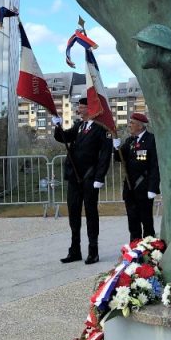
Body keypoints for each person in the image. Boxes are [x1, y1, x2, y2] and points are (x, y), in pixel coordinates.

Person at [53, 98, 112, 264]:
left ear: (90, 109)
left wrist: (100, 177)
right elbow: (64, 138)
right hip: (74, 177)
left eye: (81, 106)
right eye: (78, 106)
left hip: (90, 178)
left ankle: (93, 251)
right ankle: (75, 250)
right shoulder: (79, 126)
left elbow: (105, 155)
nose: (78, 109)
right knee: (73, 213)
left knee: (91, 214)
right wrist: (58, 126)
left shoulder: (101, 128)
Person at [114, 112, 160, 241]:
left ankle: (149, 247)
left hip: (144, 187)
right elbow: (119, 158)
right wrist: (116, 147)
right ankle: (134, 246)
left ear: (140, 126)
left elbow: (155, 165)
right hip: (130, 188)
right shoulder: (130, 141)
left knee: (146, 221)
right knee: (133, 220)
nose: (129, 125)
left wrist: (153, 187)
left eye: (132, 123)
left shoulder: (151, 140)